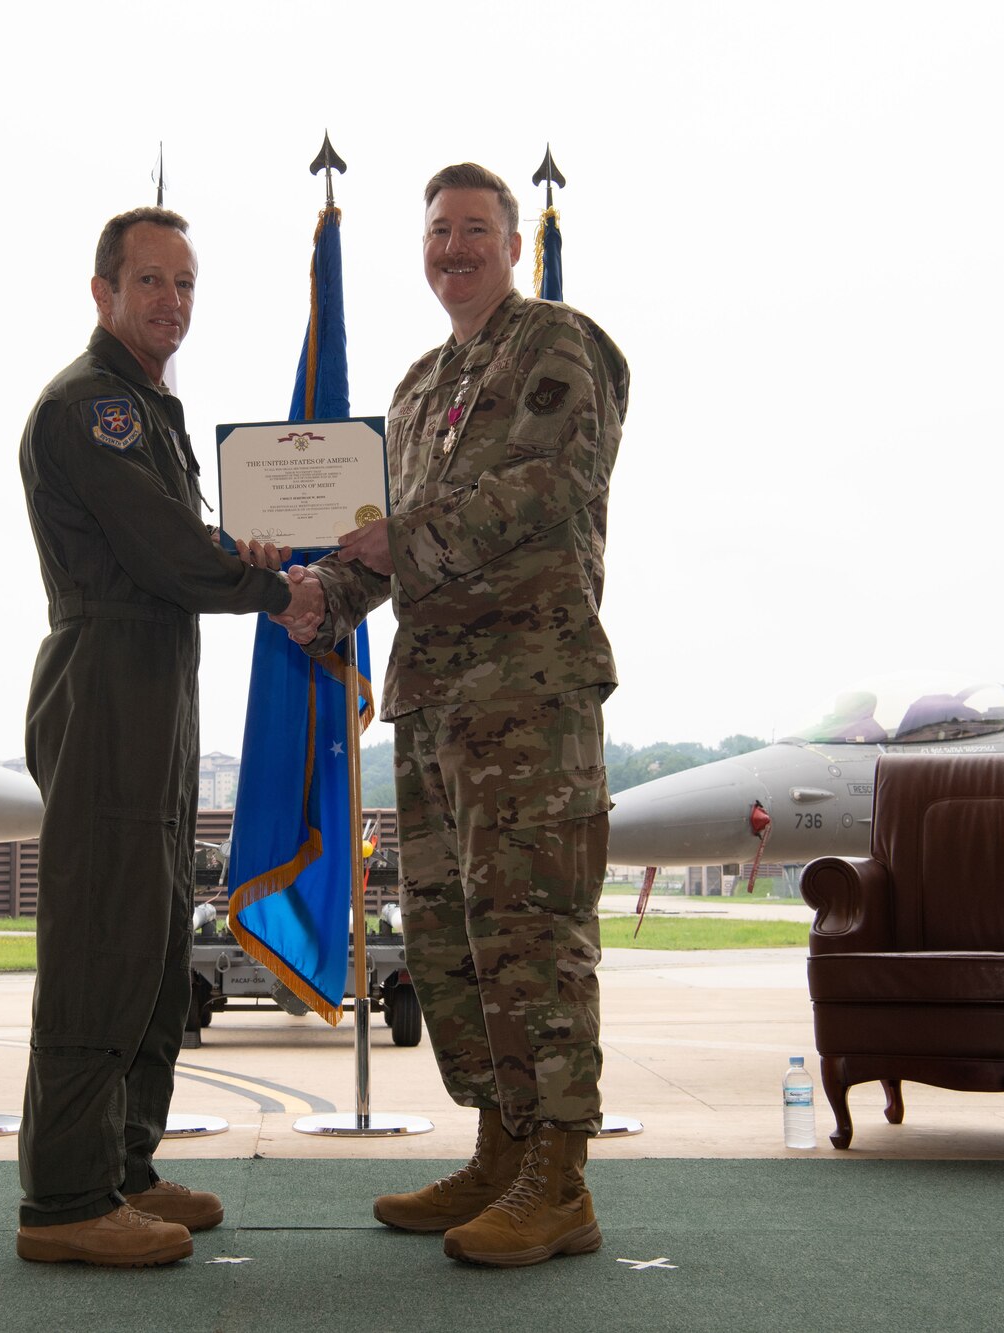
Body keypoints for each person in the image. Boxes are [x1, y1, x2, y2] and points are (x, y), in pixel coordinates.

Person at [281, 163, 629, 1268]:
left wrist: (392, 545)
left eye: (474, 228)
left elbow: (539, 488)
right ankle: (496, 1150)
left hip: (528, 691)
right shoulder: (422, 384)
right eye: (437, 231)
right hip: (432, 699)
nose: (453, 248)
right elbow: (381, 534)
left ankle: (558, 1177)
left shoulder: (557, 346)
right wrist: (315, 596)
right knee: (450, 937)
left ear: (510, 242)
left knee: (532, 928)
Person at [15, 206, 321, 1268]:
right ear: (102, 292)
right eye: (149, 281)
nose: (170, 302)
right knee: (102, 938)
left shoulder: (150, 407)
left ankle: (122, 1168)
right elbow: (156, 547)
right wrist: (269, 584)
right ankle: (62, 1199)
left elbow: (178, 542)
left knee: (148, 944)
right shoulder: (90, 407)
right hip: (105, 681)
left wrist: (238, 556)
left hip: (156, 682)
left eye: (185, 284)